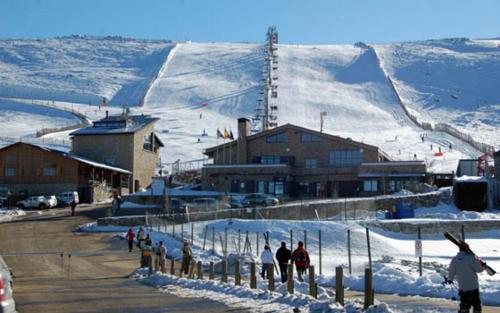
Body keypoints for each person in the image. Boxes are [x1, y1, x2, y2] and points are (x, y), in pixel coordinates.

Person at [446, 242, 486, 313]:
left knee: (464, 305)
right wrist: (483, 266)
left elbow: (451, 272)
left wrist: (450, 279)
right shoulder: (471, 258)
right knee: (476, 305)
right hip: (473, 286)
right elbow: (479, 269)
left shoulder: (455, 260)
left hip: (463, 286)